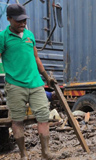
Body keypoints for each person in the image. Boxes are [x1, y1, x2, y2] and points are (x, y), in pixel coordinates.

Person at [0, 4, 56, 160]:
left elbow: (36, 58)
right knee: (17, 121)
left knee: (43, 117)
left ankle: (45, 153)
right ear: (9, 19)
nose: (22, 23)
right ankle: (23, 154)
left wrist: (46, 76)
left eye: (24, 20)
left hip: (36, 83)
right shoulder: (3, 37)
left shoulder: (29, 35)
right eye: (18, 21)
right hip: (15, 85)